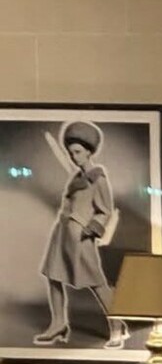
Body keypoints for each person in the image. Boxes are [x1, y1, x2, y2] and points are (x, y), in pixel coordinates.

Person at [36, 120, 124, 347]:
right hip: (62, 234)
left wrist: (89, 229)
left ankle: (116, 325)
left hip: (81, 237)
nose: (74, 157)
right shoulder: (76, 178)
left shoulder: (98, 178)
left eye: (77, 152)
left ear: (88, 152)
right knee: (53, 277)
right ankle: (58, 324)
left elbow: (105, 210)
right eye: (71, 152)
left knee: (97, 283)